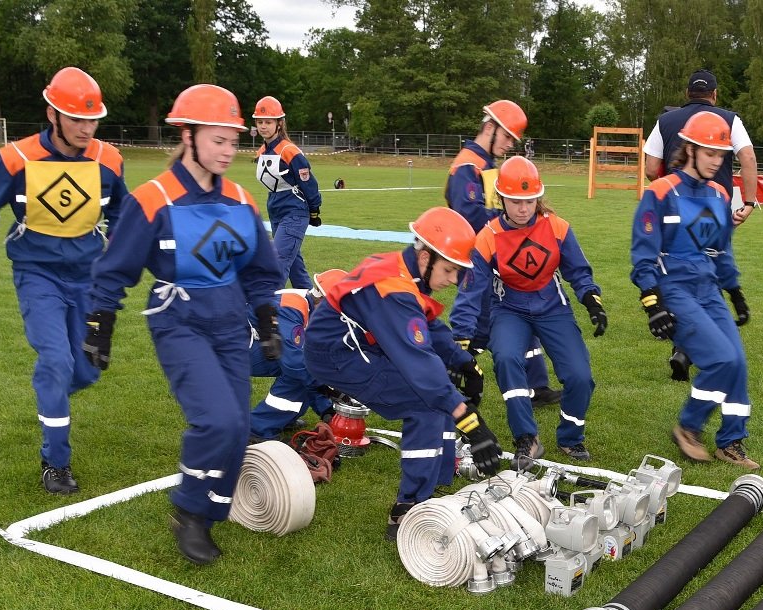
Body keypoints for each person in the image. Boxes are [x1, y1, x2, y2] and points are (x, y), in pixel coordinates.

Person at [84, 84, 284, 566]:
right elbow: (114, 270)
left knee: (238, 428)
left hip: (231, 323)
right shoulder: (154, 198)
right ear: (188, 135)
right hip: (180, 323)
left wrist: (268, 321)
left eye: (233, 141)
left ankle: (211, 511)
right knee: (215, 419)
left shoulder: (241, 200)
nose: (228, 150)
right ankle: (190, 514)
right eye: (218, 139)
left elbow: (260, 270)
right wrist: (99, 327)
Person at [0, 67, 127, 495]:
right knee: (57, 363)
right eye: (76, 118)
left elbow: (124, 215)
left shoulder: (109, 159)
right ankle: (56, 461)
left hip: (87, 277)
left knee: (85, 371)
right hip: (37, 274)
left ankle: (52, 391)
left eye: (92, 118)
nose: (86, 127)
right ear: (52, 114)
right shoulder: (16, 158)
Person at [304, 207, 502, 541]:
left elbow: (429, 324)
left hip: (357, 346)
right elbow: (418, 362)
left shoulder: (405, 270)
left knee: (437, 390)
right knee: (425, 404)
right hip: (339, 356)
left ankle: (436, 483)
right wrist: (469, 420)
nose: (454, 281)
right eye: (450, 270)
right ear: (425, 257)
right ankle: (408, 510)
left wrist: (463, 361)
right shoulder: (392, 289)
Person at [451, 156, 606, 464]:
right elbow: (470, 290)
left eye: (529, 200)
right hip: (509, 309)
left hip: (552, 306)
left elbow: (578, 270)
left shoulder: (557, 227)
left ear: (538, 197)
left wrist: (591, 299)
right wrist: (462, 338)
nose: (523, 208)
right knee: (507, 360)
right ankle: (526, 438)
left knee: (580, 376)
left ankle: (571, 437)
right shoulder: (488, 237)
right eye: (515, 201)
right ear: (501, 198)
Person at [630, 112, 757, 470]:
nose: (718, 161)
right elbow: (643, 255)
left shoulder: (720, 193)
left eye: (721, 155)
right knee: (721, 359)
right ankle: (688, 427)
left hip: (708, 287)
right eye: (710, 153)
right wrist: (652, 303)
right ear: (689, 149)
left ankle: (730, 441)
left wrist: (735, 292)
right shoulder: (659, 192)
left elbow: (721, 249)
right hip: (674, 287)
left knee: (738, 364)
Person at [642, 68, 758, 383]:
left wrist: (668, 190)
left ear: (687, 92)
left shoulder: (665, 121)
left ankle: (683, 347)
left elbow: (651, 166)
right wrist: (748, 201)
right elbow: (747, 157)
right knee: (707, 271)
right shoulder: (729, 119)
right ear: (715, 94)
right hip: (714, 206)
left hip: (674, 209)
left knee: (679, 274)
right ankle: (690, 348)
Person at [445, 98, 561, 409]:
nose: (509, 145)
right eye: (507, 136)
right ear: (490, 127)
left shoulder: (487, 166)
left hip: (500, 259)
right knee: (480, 330)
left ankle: (536, 387)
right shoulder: (467, 166)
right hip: (477, 262)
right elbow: (469, 219)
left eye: (513, 139)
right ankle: (449, 379)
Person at [247, 270, 346, 442]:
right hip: (236, 350)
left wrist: (326, 408)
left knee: (309, 367)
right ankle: (259, 429)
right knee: (302, 369)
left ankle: (284, 419)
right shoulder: (292, 307)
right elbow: (294, 363)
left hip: (246, 344)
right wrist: (326, 388)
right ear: (325, 301)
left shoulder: (307, 303)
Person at [252, 96, 321, 289]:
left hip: (295, 211)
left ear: (279, 124)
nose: (263, 126)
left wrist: (314, 210)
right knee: (295, 267)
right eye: (259, 122)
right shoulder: (261, 152)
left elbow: (309, 184)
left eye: (268, 122)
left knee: (277, 262)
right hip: (275, 210)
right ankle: (311, 308)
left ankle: (266, 313)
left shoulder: (290, 151)